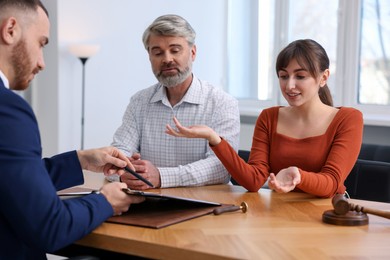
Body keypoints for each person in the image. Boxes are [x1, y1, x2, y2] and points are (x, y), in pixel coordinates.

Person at [0, 1, 144, 259]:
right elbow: (50, 226)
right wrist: (106, 201)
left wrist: (80, 161)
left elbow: (10, 179)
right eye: (42, 43)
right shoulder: (9, 110)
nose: (42, 62)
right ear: (10, 30)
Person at [166, 39, 364, 198]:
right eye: (283, 76)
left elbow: (331, 183)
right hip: (278, 215)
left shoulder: (348, 119)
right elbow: (253, 181)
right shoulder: (269, 117)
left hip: (327, 216)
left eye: (300, 76)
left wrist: (299, 176)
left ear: (324, 77)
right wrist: (214, 139)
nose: (289, 86)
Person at [111, 14, 240, 190]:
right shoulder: (139, 102)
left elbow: (222, 168)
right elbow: (117, 154)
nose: (166, 59)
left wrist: (161, 176)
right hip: (149, 204)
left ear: (193, 53)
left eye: (175, 50)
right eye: (157, 52)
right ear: (149, 57)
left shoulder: (222, 103)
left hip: (206, 205)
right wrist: (125, 173)